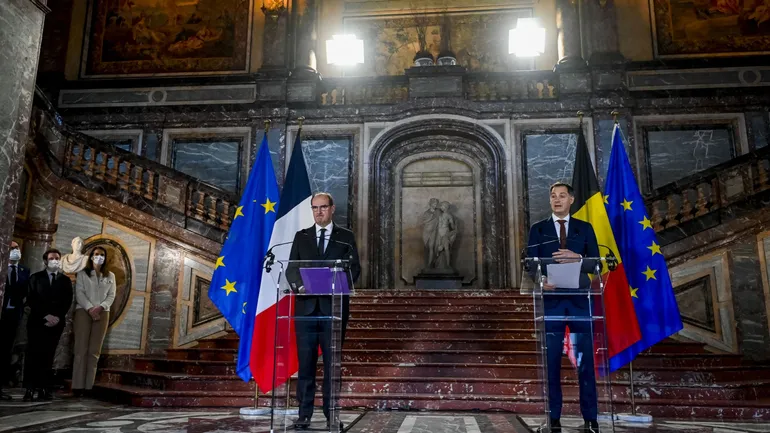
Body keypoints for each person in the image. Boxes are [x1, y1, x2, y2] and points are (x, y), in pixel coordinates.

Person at [526, 182, 600, 433]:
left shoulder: (585, 228)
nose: (557, 200)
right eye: (552, 197)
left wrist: (578, 258)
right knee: (551, 363)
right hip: (552, 303)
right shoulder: (538, 229)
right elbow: (529, 264)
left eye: (561, 196)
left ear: (571, 199)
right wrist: (541, 280)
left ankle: (591, 419)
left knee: (585, 363)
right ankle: (553, 418)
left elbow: (594, 263)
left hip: (580, 302)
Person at [286, 192, 361, 431]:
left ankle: (332, 415)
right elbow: (291, 270)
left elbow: (354, 269)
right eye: (314, 208)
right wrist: (300, 286)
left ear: (332, 208)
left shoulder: (345, 237)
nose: (318, 212)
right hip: (306, 310)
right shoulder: (302, 237)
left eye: (323, 207)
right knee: (305, 364)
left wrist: (336, 284)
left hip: (334, 310)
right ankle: (303, 414)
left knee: (332, 366)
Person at [23, 249, 73, 401]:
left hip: (56, 323)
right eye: (51, 258)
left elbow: (67, 301)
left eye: (57, 258)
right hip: (37, 321)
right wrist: (46, 315)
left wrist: (57, 317)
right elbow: (31, 299)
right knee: (32, 355)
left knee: (48, 355)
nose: (55, 260)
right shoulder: (35, 278)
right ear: (45, 261)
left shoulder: (65, 281)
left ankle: (44, 388)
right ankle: (30, 389)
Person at [72, 246, 116, 397]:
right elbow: (80, 293)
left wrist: (101, 307)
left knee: (94, 351)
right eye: (96, 254)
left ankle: (89, 386)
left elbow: (111, 295)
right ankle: (77, 386)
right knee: (81, 349)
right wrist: (91, 308)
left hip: (103, 313)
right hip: (83, 311)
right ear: (91, 257)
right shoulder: (83, 273)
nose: (99, 257)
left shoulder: (110, 275)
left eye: (102, 255)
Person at [1, 241, 30, 400]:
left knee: (6, 351)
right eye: (12, 248)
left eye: (17, 248)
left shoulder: (24, 270)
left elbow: (26, 292)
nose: (15, 250)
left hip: (14, 315)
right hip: (2, 312)